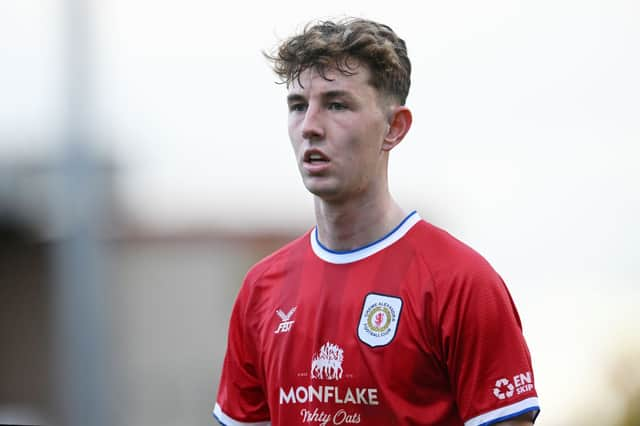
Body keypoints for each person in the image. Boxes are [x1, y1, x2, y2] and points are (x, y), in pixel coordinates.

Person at [213, 17, 540, 426]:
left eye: (337, 104)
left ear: (394, 128)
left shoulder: (462, 283)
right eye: (299, 106)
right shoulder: (261, 289)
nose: (311, 126)